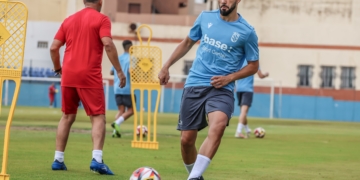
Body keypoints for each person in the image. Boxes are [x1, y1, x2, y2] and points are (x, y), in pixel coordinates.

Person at [158, 0, 259, 179]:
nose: (223, 2)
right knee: (187, 141)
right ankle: (196, 176)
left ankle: (193, 177)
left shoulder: (247, 32)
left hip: (222, 88)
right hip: (195, 84)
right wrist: (166, 66)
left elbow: (253, 66)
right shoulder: (205, 17)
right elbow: (187, 42)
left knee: (218, 126)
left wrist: (230, 78)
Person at [49, 0, 126, 175]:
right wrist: (119, 72)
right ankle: (97, 160)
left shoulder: (68, 20)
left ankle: (58, 159)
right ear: (100, 1)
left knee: (67, 116)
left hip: (68, 74)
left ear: (84, 1)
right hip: (89, 75)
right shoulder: (102, 19)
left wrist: (58, 69)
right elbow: (107, 44)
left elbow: (54, 48)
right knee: (98, 116)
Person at [234, 61, 269, 138]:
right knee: (243, 112)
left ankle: (247, 130)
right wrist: (265, 74)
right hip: (247, 90)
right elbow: (260, 76)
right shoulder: (253, 61)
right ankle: (238, 132)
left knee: (242, 113)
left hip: (239, 89)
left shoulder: (239, 61)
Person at [110, 40, 135, 138]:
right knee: (132, 110)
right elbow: (130, 70)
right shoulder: (132, 58)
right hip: (126, 88)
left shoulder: (118, 58)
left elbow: (111, 72)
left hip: (116, 88)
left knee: (121, 110)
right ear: (130, 47)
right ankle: (117, 122)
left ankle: (114, 131)